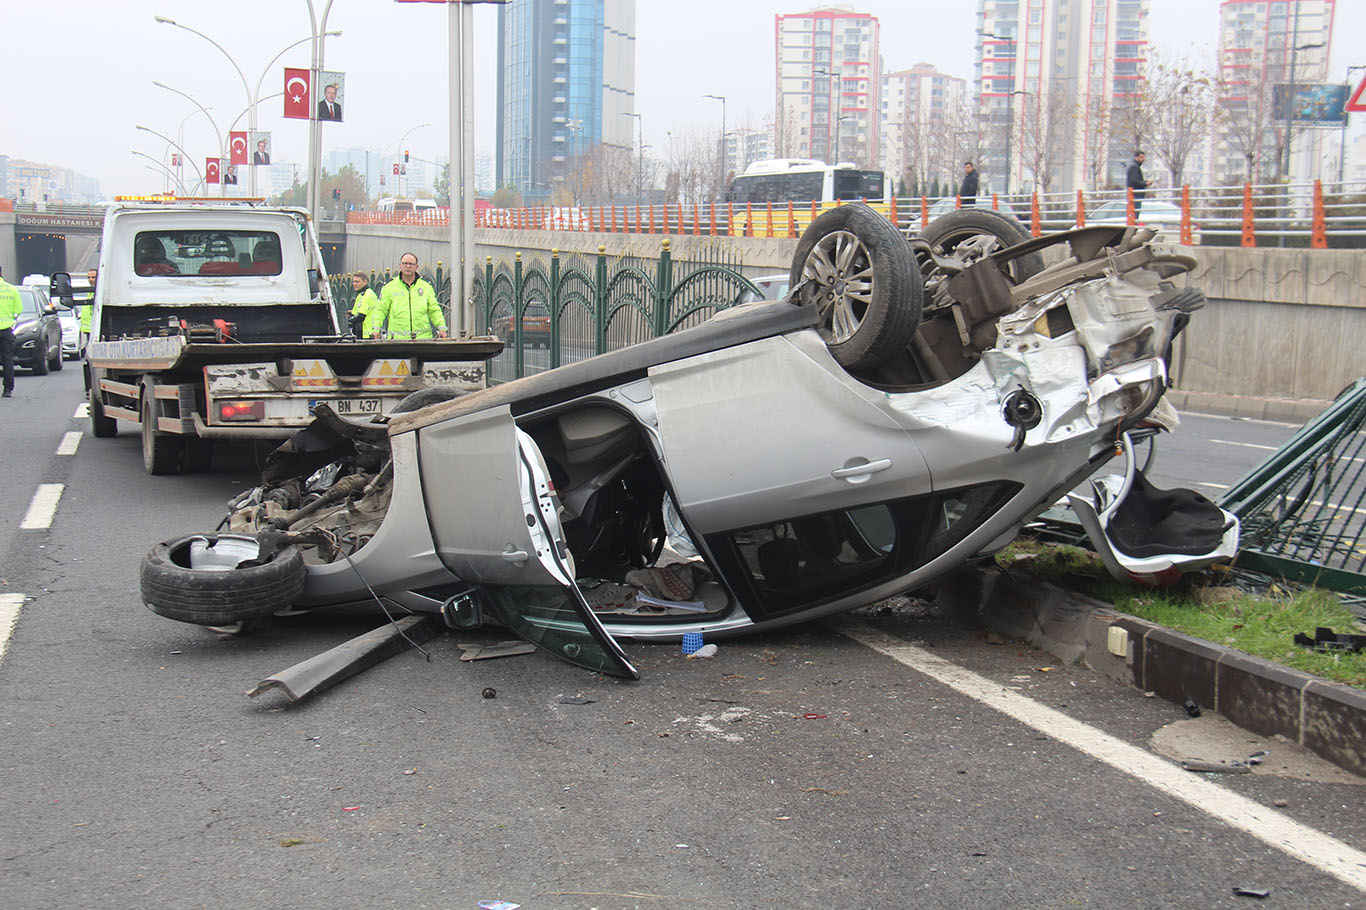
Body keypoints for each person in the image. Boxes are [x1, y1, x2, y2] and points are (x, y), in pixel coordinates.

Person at [372, 253, 447, 339]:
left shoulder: (426, 287)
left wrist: (442, 328)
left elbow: (434, 310)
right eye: (405, 263)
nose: (408, 266)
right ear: (400, 265)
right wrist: (376, 329)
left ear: (416, 267)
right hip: (397, 340)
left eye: (411, 264)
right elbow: (381, 310)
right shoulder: (389, 287)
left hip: (422, 340)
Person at [0, 267, 21, 398]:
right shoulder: (12, 289)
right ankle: (8, 389)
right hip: (6, 329)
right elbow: (18, 310)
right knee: (7, 359)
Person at [348, 272, 379, 336]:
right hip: (370, 331)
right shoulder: (368, 293)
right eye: (353, 282)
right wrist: (351, 313)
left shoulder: (365, 295)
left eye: (357, 282)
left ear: (365, 282)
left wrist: (350, 320)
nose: (354, 284)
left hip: (365, 333)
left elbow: (361, 315)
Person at [1126, 150, 1153, 216]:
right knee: (1134, 214)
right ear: (1136, 157)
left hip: (1135, 194)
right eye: (1141, 157)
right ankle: (1133, 226)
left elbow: (1135, 180)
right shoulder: (1134, 167)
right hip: (1135, 194)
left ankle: (1133, 225)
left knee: (1134, 214)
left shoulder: (1134, 166)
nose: (1143, 159)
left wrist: (1145, 182)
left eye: (1143, 157)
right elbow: (1134, 181)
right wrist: (1145, 183)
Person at [79, 268, 96, 355]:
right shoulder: (90, 292)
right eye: (89, 277)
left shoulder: (96, 293)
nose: (90, 280)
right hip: (87, 329)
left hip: (93, 329)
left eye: (93, 277)